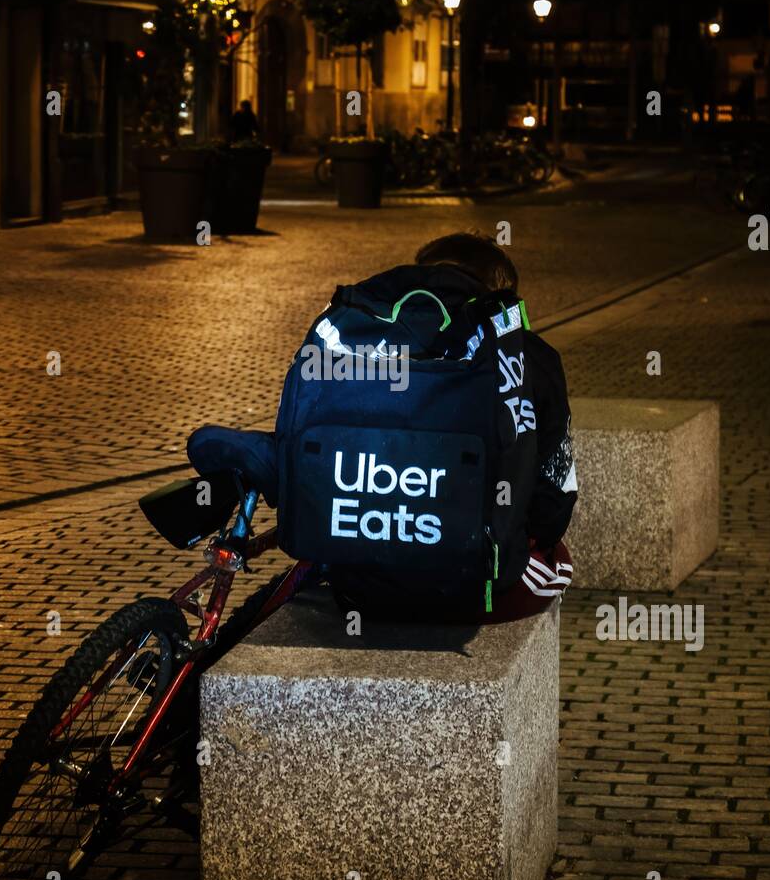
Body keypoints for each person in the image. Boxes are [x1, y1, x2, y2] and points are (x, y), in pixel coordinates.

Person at [188, 231, 576, 623]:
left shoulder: (355, 332)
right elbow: (553, 505)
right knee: (558, 561)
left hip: (353, 585)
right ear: (499, 293)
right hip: (470, 595)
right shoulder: (527, 356)